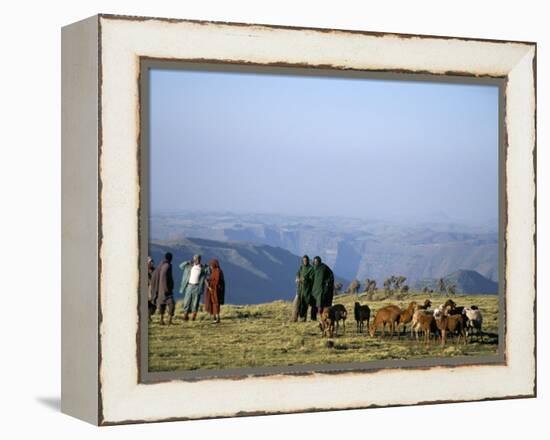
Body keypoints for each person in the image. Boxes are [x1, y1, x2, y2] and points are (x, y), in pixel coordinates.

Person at [179, 254, 210, 321]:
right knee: (187, 301)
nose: (196, 260)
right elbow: (181, 266)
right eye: (195, 259)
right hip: (189, 286)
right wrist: (186, 262)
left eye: (197, 259)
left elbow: (209, 272)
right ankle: (185, 316)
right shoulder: (189, 266)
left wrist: (207, 266)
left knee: (195, 302)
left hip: (197, 286)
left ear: (200, 260)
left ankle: (193, 317)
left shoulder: (202, 268)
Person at [149, 252, 175, 325]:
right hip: (166, 290)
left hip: (160, 290)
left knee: (162, 305)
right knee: (171, 304)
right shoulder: (168, 266)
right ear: (170, 258)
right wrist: (168, 287)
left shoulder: (160, 265)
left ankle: (162, 320)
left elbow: (155, 275)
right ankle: (169, 320)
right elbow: (166, 277)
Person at [205, 258, 225, 323]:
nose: (211, 266)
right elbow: (212, 279)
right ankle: (215, 317)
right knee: (213, 303)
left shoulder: (218, 271)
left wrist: (210, 284)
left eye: (211, 264)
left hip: (216, 290)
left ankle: (217, 318)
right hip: (213, 289)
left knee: (216, 303)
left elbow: (217, 281)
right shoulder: (214, 270)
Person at [295, 255, 314, 322]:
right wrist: (297, 278)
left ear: (308, 260)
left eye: (306, 260)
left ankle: (303, 319)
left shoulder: (311, 268)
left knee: (305, 305)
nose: (305, 261)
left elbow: (312, 279)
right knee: (297, 304)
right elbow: (298, 273)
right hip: (300, 289)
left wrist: (305, 280)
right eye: (304, 260)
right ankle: (295, 318)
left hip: (307, 290)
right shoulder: (301, 267)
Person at [147, 256, 156, 321]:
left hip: (153, 289)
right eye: (150, 262)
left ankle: (149, 315)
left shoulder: (154, 270)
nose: (152, 263)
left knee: (153, 305)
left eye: (152, 262)